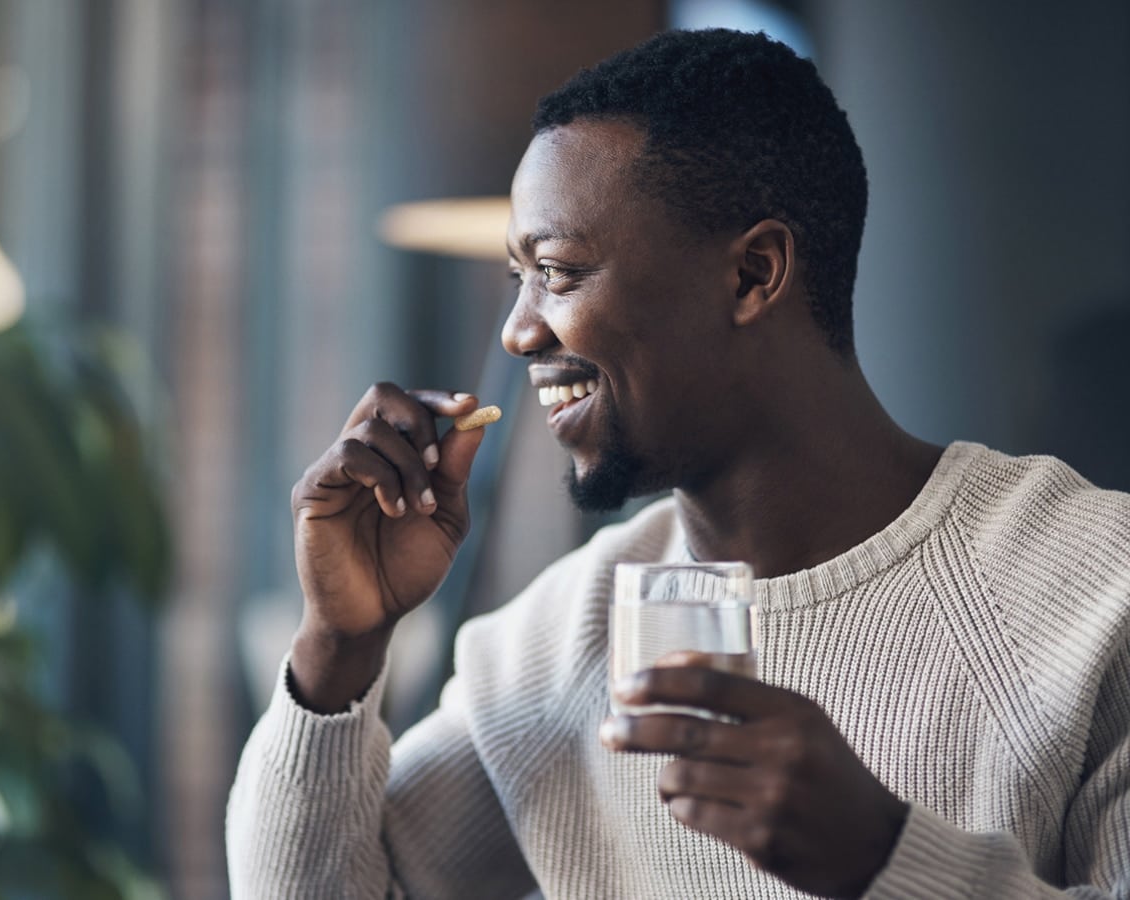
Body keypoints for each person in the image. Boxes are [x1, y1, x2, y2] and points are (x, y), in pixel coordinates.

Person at [226, 28, 1130, 899]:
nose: (518, 330)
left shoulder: (1097, 594)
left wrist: (885, 860)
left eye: (561, 271)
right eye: (517, 278)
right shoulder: (552, 646)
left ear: (753, 275)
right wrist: (339, 647)